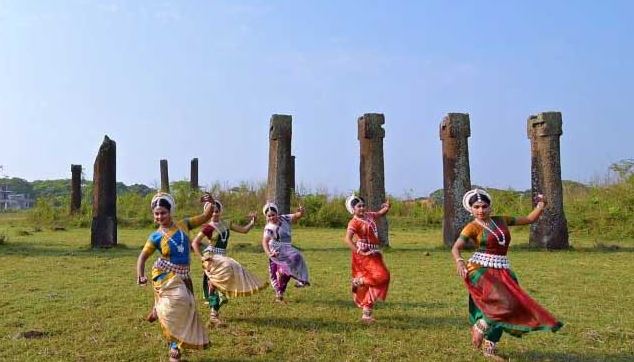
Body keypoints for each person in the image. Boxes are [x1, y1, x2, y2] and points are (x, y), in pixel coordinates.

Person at [451, 188, 563, 360]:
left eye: (484, 206)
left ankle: (490, 348)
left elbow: (529, 219)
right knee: (503, 303)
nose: (481, 210)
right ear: (471, 209)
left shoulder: (501, 220)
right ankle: (481, 325)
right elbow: (456, 247)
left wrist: (541, 205)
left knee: (512, 306)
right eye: (476, 207)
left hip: (503, 268)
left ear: (490, 207)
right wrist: (459, 261)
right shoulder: (471, 227)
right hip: (480, 269)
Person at [136, 192, 214, 362]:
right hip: (164, 273)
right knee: (178, 303)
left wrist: (211, 202)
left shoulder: (184, 224)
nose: (159, 216)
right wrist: (140, 275)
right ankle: (174, 348)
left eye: (163, 212)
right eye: (156, 213)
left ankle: (158, 306)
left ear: (170, 211)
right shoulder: (155, 236)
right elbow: (142, 257)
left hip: (184, 275)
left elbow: (206, 216)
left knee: (188, 308)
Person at [191, 199, 268, 327]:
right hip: (211, 256)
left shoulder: (227, 223)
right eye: (212, 212)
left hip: (222, 256)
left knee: (223, 279)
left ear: (220, 211)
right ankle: (213, 315)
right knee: (216, 281)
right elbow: (195, 243)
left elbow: (244, 230)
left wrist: (253, 222)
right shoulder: (208, 227)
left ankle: (213, 313)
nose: (214, 214)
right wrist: (202, 258)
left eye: (217, 211)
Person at [344, 195, 391, 323]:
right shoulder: (354, 222)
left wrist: (386, 207)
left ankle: (366, 314)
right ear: (353, 209)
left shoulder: (369, 216)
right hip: (363, 256)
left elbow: (380, 213)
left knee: (379, 281)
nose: (362, 208)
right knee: (382, 276)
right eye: (359, 206)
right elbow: (347, 239)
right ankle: (359, 281)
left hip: (374, 253)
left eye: (363, 205)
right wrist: (359, 251)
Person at [261, 201, 310, 303]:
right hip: (277, 252)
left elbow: (296, 216)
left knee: (297, 257)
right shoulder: (269, 228)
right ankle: (279, 295)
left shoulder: (284, 218)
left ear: (277, 213)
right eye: (268, 216)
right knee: (282, 273)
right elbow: (264, 242)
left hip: (288, 249)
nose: (271, 218)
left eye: (273, 215)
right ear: (266, 217)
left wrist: (301, 212)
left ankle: (301, 280)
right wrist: (269, 254)